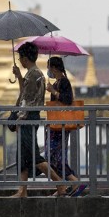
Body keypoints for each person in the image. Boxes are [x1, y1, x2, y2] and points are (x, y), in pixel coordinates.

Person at [10, 42, 64, 197]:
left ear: (25, 58)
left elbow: (25, 100)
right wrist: (19, 76)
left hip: (28, 117)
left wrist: (19, 119)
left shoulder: (34, 74)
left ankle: (60, 185)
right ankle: (22, 190)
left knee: (34, 156)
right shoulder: (33, 73)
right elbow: (26, 93)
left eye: (20, 57)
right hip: (29, 116)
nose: (19, 60)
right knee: (22, 156)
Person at [46, 56, 86, 196]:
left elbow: (67, 99)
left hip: (61, 126)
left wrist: (53, 91)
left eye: (49, 67)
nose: (48, 71)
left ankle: (74, 182)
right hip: (55, 125)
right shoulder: (57, 82)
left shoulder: (64, 82)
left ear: (54, 68)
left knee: (53, 156)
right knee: (54, 157)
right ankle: (62, 187)